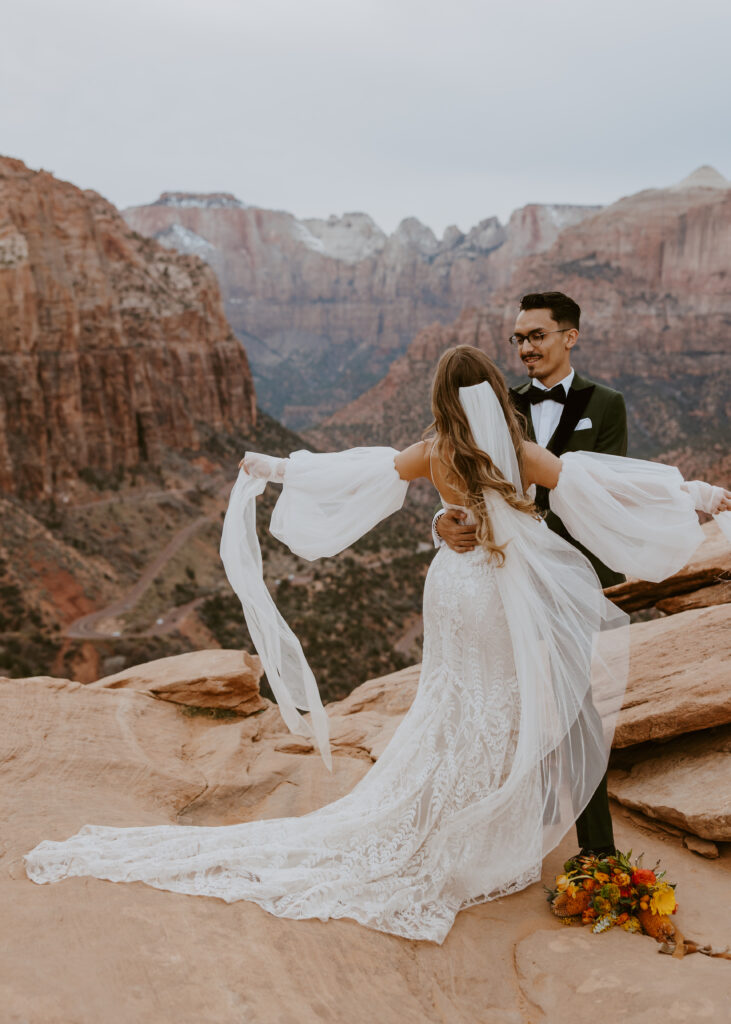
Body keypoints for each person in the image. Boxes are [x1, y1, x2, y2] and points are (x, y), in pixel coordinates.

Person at [23, 347, 730, 946]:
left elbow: (351, 470)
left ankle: (436, 814)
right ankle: (470, 827)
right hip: (495, 588)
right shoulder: (515, 452)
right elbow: (598, 483)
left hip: (452, 588)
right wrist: (695, 494)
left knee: (454, 698)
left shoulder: (436, 451)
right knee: (496, 700)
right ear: (490, 389)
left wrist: (275, 469)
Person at [434, 292, 626, 859]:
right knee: (513, 700)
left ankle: (598, 853)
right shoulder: (494, 402)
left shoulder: (607, 404)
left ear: (570, 336)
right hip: (501, 577)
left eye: (536, 335)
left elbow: (604, 489)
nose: (524, 348)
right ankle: (525, 827)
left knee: (577, 704)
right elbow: (454, 476)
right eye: (518, 338)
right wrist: (442, 523)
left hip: (572, 577)